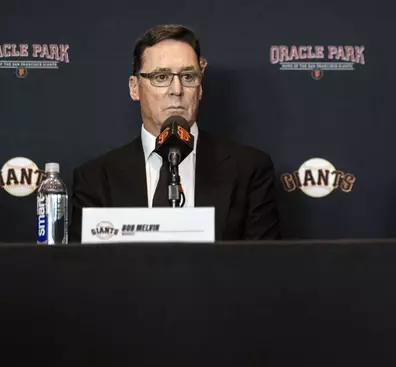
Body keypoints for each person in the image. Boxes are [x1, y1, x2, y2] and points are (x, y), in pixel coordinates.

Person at [70, 24, 280, 241]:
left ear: (200, 88)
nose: (177, 90)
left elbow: (262, 269)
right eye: (161, 77)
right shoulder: (94, 179)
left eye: (188, 76)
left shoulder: (250, 170)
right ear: (134, 87)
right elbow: (85, 270)